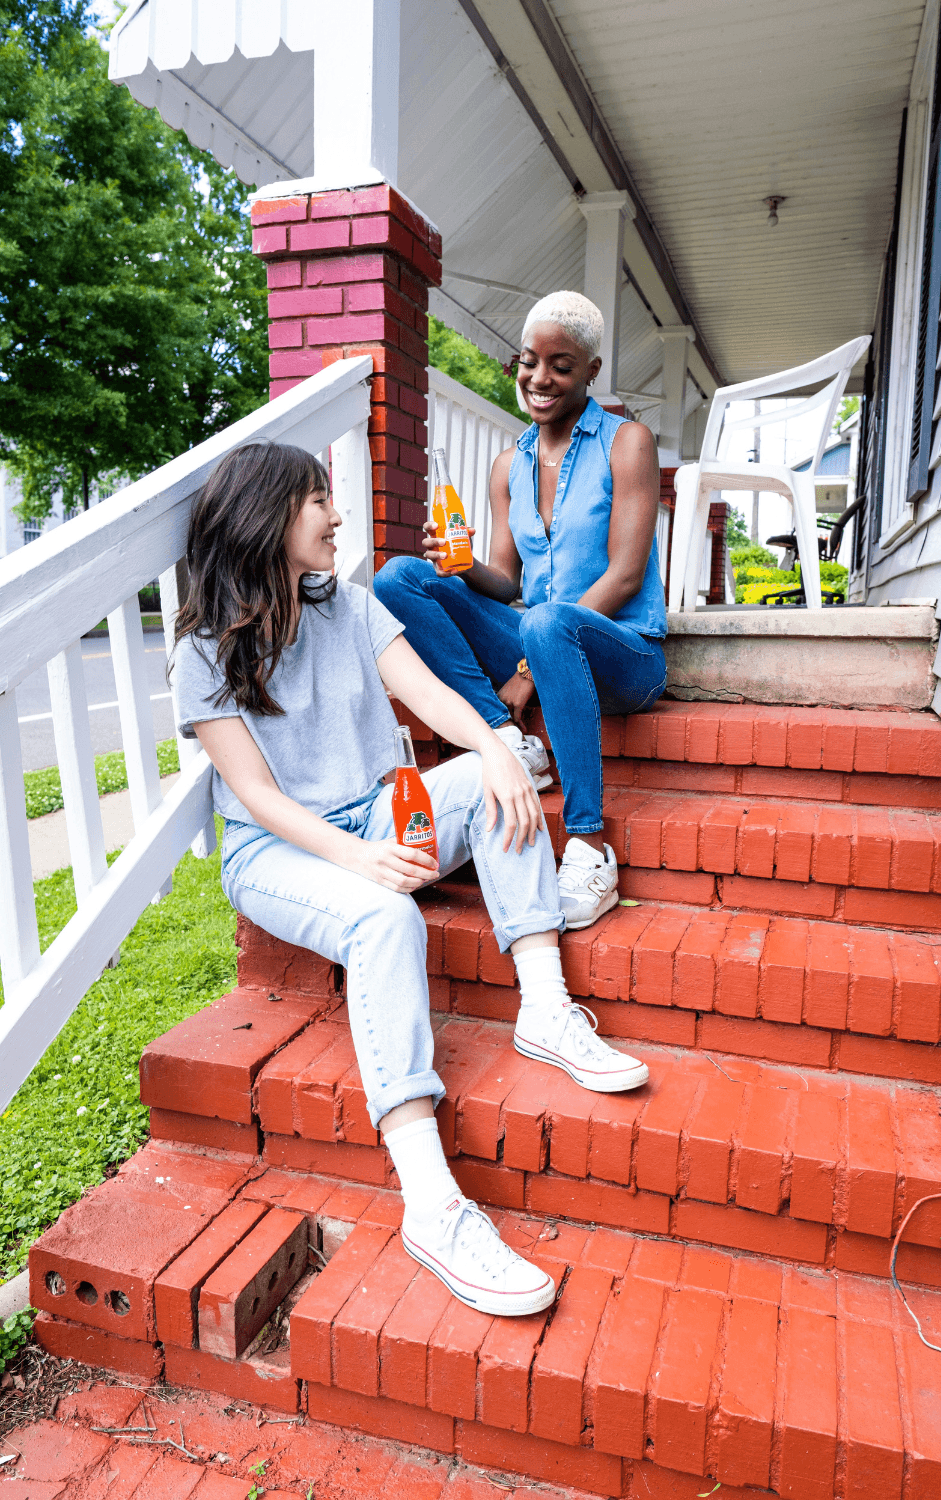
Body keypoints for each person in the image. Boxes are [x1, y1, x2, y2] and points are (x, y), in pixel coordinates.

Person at [170, 440, 649, 1320]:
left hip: (373, 810)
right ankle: (433, 1204)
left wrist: (496, 750)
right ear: (269, 514)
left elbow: (429, 697)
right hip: (278, 850)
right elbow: (256, 797)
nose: (338, 516)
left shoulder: (350, 608)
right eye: (321, 501)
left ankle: (544, 1008)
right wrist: (359, 861)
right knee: (386, 922)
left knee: (489, 776)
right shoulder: (206, 649)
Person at [374, 290, 667, 931]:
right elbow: (507, 583)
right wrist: (460, 566)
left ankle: (589, 845)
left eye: (562, 365)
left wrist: (528, 669)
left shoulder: (628, 444)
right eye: (529, 361)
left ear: (591, 371)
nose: (540, 378)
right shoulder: (510, 463)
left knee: (545, 620)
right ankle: (509, 739)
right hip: (538, 633)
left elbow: (623, 577)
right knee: (399, 578)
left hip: (623, 652)